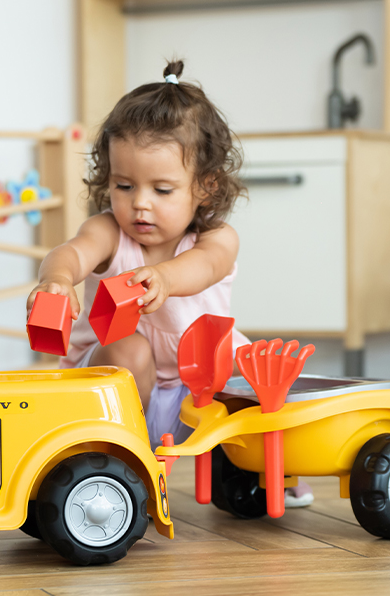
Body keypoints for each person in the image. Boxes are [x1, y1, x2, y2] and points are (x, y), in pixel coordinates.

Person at [26, 60, 313, 506]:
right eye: (124, 185)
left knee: (250, 366)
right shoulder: (108, 231)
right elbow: (72, 252)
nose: (139, 204)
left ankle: (267, 466)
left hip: (197, 389)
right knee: (130, 347)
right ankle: (115, 463)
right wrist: (57, 279)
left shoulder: (217, 238)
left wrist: (163, 277)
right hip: (117, 391)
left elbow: (204, 266)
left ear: (204, 186)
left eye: (162, 190)